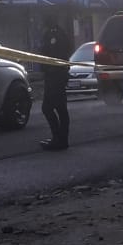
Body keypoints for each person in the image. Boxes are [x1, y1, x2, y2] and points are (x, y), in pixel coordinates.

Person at [39, 17, 72, 151]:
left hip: (54, 77)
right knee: (60, 109)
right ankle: (60, 138)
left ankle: (59, 139)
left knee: (48, 108)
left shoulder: (54, 35)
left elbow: (53, 55)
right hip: (58, 75)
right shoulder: (61, 33)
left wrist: (47, 69)